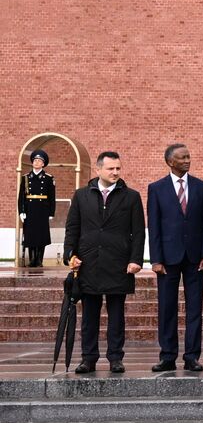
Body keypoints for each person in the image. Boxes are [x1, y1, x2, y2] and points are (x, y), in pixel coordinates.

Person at [64, 151, 143, 375]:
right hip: (88, 264)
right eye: (111, 168)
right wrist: (70, 254)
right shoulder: (81, 196)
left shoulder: (131, 197)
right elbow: (73, 229)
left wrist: (136, 259)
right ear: (98, 170)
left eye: (118, 168)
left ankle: (115, 357)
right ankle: (88, 358)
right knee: (89, 315)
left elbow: (138, 232)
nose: (115, 172)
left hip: (118, 265)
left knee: (116, 315)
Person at [147, 143, 203, 372]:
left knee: (194, 308)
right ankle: (167, 356)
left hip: (196, 258)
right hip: (167, 258)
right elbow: (154, 226)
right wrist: (155, 259)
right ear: (170, 162)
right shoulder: (156, 188)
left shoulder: (201, 187)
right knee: (167, 308)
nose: (187, 160)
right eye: (182, 158)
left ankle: (192, 356)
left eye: (188, 157)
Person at [18, 149, 56, 268]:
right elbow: (21, 197)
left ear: (43, 164)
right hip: (30, 209)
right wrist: (22, 211)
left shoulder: (48, 178)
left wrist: (51, 212)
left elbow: (52, 197)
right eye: (35, 160)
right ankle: (32, 259)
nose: (36, 162)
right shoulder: (25, 178)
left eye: (39, 161)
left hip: (42, 210)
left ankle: (39, 260)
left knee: (41, 235)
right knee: (30, 235)